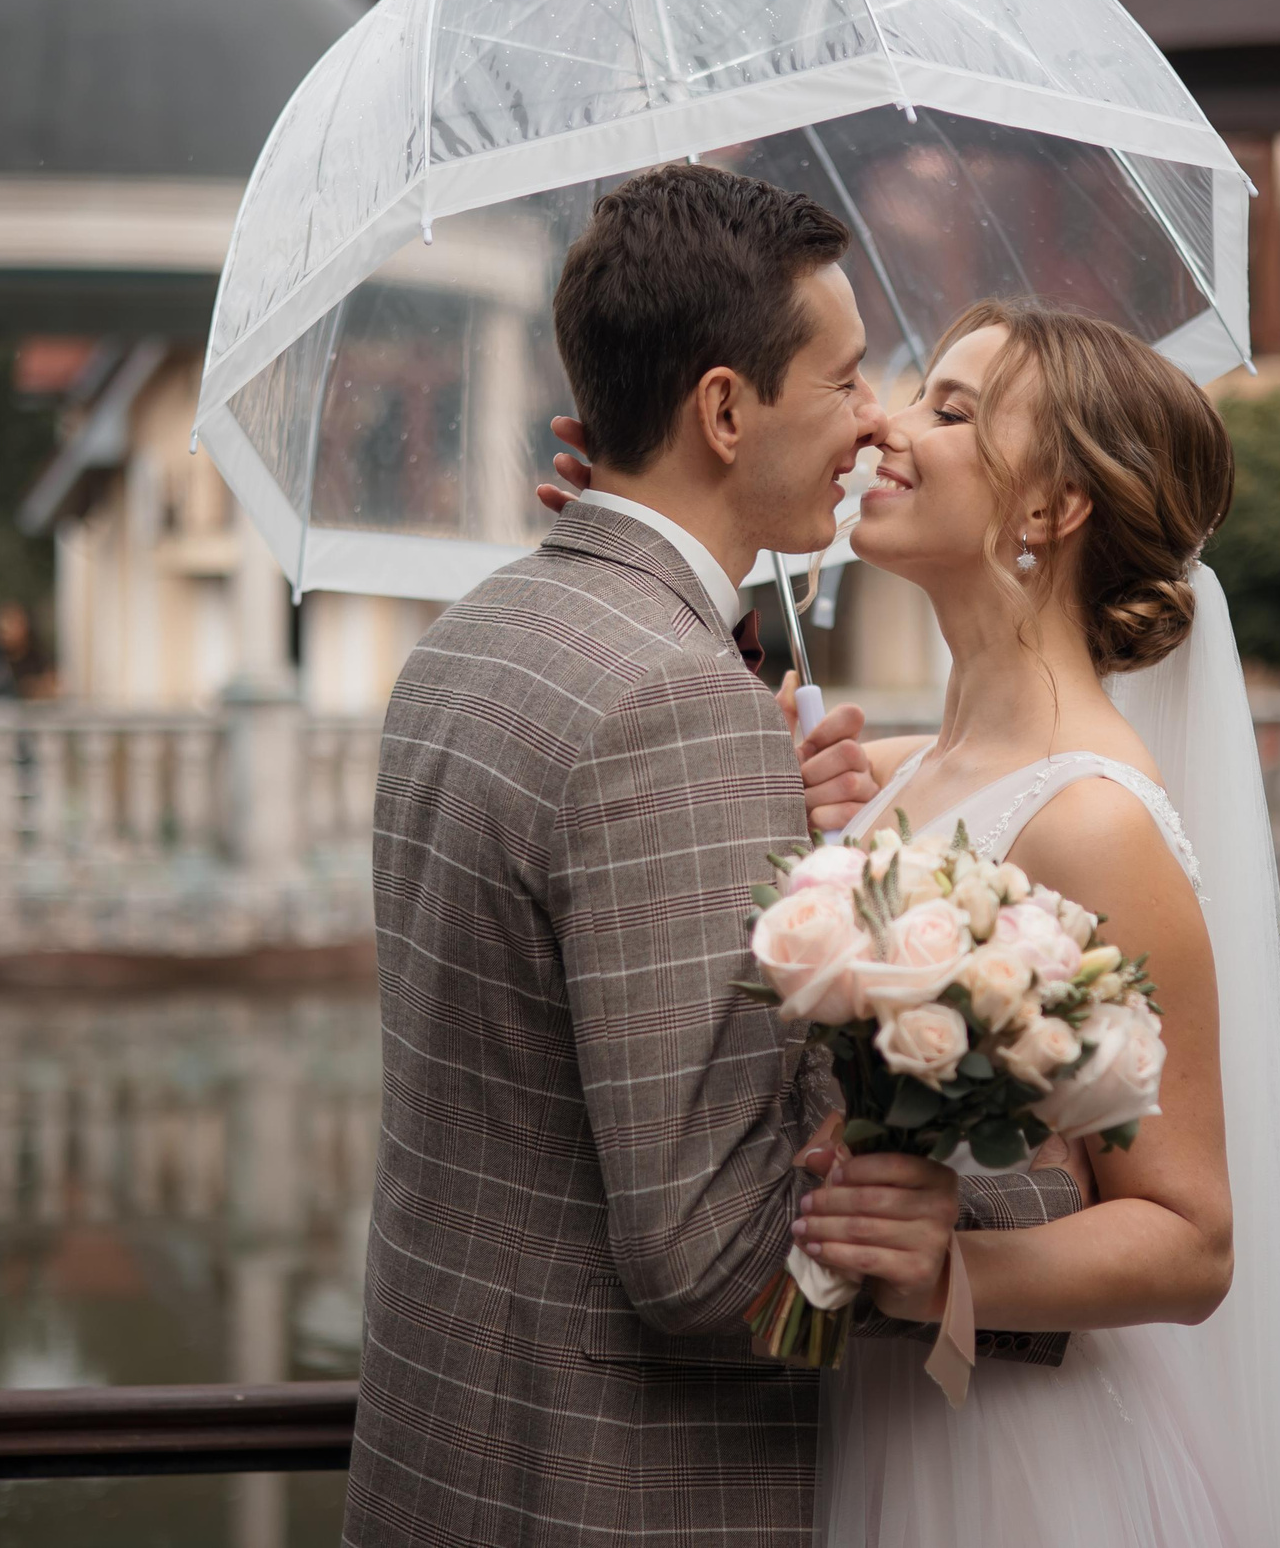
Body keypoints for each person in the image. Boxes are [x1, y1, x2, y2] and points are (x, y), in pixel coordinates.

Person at [547, 299, 1280, 1547]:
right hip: (868, 1425)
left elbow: (1192, 1242)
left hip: (1016, 1464)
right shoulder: (897, 771)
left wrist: (951, 1269)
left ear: (1048, 511)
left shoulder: (1095, 819)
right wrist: (644, 519)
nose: (883, 424)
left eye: (950, 408)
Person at [345, 166, 1082, 1548]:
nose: (877, 418)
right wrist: (1029, 1179)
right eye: (850, 376)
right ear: (727, 409)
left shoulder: (473, 637)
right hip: (619, 1487)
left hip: (445, 1446)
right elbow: (699, 1247)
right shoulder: (679, 711)